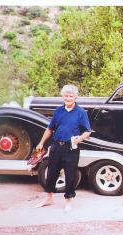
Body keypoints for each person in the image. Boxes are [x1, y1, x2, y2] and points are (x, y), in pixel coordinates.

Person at [35, 84, 91, 212]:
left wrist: (80, 138)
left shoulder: (81, 112)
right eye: (66, 96)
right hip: (56, 147)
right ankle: (48, 198)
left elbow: (88, 131)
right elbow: (50, 129)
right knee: (51, 174)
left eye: (71, 96)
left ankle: (68, 201)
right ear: (63, 97)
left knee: (70, 176)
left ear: (75, 97)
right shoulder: (58, 111)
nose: (68, 98)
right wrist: (41, 143)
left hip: (71, 148)